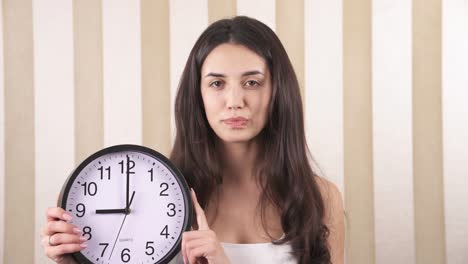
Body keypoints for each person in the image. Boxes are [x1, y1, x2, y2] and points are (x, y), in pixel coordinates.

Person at [41, 16, 345, 264]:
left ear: (278, 92)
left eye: (252, 82)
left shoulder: (321, 197)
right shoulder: (156, 194)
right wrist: (77, 259)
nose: (235, 100)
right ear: (197, 94)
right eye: (217, 83)